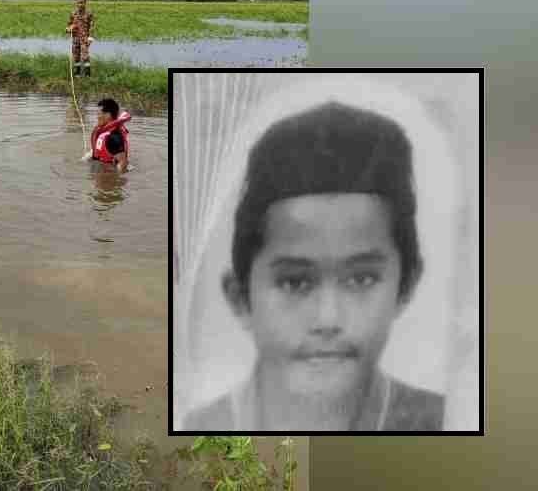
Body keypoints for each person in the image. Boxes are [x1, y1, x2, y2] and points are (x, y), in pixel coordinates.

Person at [182, 102, 445, 431]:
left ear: (405, 286)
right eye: (294, 283)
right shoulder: (194, 433)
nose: (328, 320)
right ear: (240, 298)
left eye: (362, 279)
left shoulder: (453, 423)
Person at [85, 98, 130, 173]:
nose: (97, 117)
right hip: (100, 166)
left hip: (107, 173)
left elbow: (123, 163)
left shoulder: (114, 137)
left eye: (99, 113)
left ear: (108, 115)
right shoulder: (104, 131)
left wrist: (113, 178)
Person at [66, 0, 95, 77]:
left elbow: (92, 26)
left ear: (85, 3)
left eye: (82, 2)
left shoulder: (89, 13)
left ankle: (87, 74)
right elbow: (68, 24)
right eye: (78, 2)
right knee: (76, 55)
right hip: (75, 38)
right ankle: (77, 73)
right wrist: (68, 29)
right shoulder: (73, 13)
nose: (80, 5)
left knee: (85, 56)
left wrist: (90, 38)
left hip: (85, 38)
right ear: (76, 3)